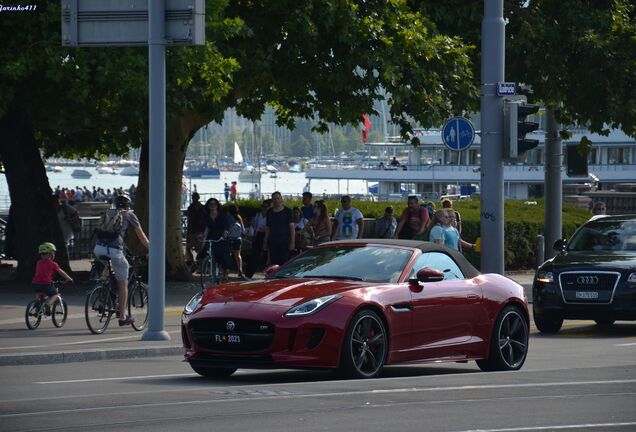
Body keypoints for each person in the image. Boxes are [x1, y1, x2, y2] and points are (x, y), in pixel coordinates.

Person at [93, 194, 149, 326]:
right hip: (114, 250)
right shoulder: (130, 215)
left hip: (98, 249)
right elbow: (142, 237)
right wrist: (154, 251)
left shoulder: (108, 213)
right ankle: (123, 316)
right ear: (128, 205)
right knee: (123, 284)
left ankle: (104, 285)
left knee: (109, 265)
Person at [32, 242, 73, 314]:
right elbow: (61, 272)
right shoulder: (53, 264)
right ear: (50, 254)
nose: (54, 254)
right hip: (46, 284)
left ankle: (37, 306)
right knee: (55, 294)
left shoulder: (38, 262)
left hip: (35, 283)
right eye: (53, 253)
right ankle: (48, 305)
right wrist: (69, 278)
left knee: (39, 293)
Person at [200, 198, 233, 281]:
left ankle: (225, 274)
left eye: (214, 204)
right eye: (210, 204)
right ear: (208, 206)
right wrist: (202, 235)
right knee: (208, 253)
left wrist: (225, 232)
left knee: (224, 257)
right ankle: (211, 271)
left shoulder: (223, 214)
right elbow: (206, 228)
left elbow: (227, 226)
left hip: (223, 237)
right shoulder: (206, 216)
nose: (213, 206)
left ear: (217, 205)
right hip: (212, 236)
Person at [263, 191, 295, 265]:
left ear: (281, 199)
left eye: (278, 198)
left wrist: (292, 242)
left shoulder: (288, 211)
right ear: (272, 200)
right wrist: (265, 241)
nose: (276, 200)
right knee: (273, 262)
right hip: (273, 241)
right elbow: (268, 228)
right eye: (274, 199)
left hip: (285, 241)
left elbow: (292, 228)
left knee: (284, 262)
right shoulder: (269, 212)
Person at [245, 199, 271, 278]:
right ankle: (249, 274)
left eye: (266, 207)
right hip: (258, 235)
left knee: (267, 256)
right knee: (255, 255)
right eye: (263, 206)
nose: (264, 208)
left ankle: (268, 274)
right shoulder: (258, 215)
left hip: (267, 235)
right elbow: (254, 225)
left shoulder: (270, 216)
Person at [227, 203, 249, 280]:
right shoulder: (239, 218)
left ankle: (227, 271)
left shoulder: (228, 218)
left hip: (229, 239)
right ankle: (240, 270)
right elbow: (243, 230)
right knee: (238, 255)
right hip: (238, 239)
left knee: (228, 255)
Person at [185, 192, 206, 269]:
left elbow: (189, 221)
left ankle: (195, 263)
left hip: (193, 231)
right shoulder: (202, 208)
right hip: (199, 231)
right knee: (199, 249)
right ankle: (198, 264)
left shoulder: (191, 208)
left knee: (189, 248)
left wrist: (188, 233)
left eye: (193, 197)